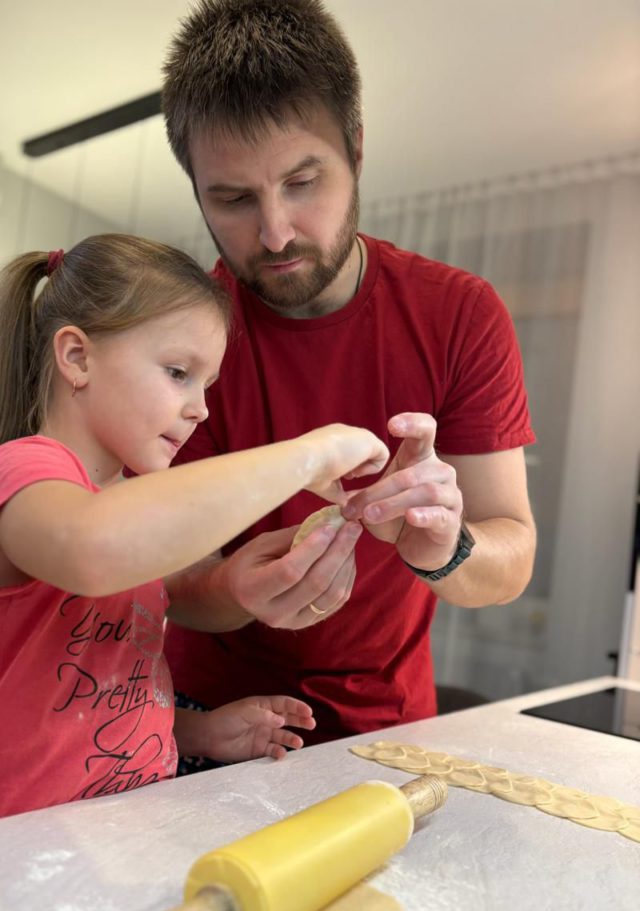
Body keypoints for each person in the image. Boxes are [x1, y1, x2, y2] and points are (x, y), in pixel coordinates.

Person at [0, 233, 389, 830]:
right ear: (77, 358)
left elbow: (85, 703)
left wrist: (199, 732)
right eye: (178, 373)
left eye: (207, 385)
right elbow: (95, 548)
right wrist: (307, 455)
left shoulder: (123, 502)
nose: (201, 409)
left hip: (116, 830)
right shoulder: (19, 473)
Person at [160, 0, 537, 749]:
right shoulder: (178, 338)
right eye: (232, 199)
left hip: (385, 731)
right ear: (196, 189)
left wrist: (447, 547)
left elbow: (513, 554)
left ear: (356, 150)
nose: (275, 233)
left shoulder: (461, 314)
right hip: (207, 726)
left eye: (303, 182)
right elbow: (164, 579)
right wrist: (235, 589)